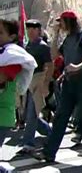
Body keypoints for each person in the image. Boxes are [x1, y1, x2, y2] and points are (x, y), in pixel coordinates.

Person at [34, 11, 82, 162]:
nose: (60, 24)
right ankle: (49, 152)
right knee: (61, 116)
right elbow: (54, 55)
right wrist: (55, 34)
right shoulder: (67, 39)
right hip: (69, 82)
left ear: (69, 22)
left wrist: (77, 66)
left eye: (62, 22)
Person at [17, 19, 54, 155]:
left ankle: (29, 144)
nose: (30, 31)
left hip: (38, 80)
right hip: (28, 81)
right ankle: (51, 133)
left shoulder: (43, 46)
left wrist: (46, 84)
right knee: (28, 114)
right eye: (28, 29)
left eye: (33, 29)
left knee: (32, 114)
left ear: (39, 30)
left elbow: (50, 66)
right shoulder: (28, 46)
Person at [0, 19, 36, 148]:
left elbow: (1, 78)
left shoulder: (12, 58)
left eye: (0, 33)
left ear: (12, 37)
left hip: (2, 115)